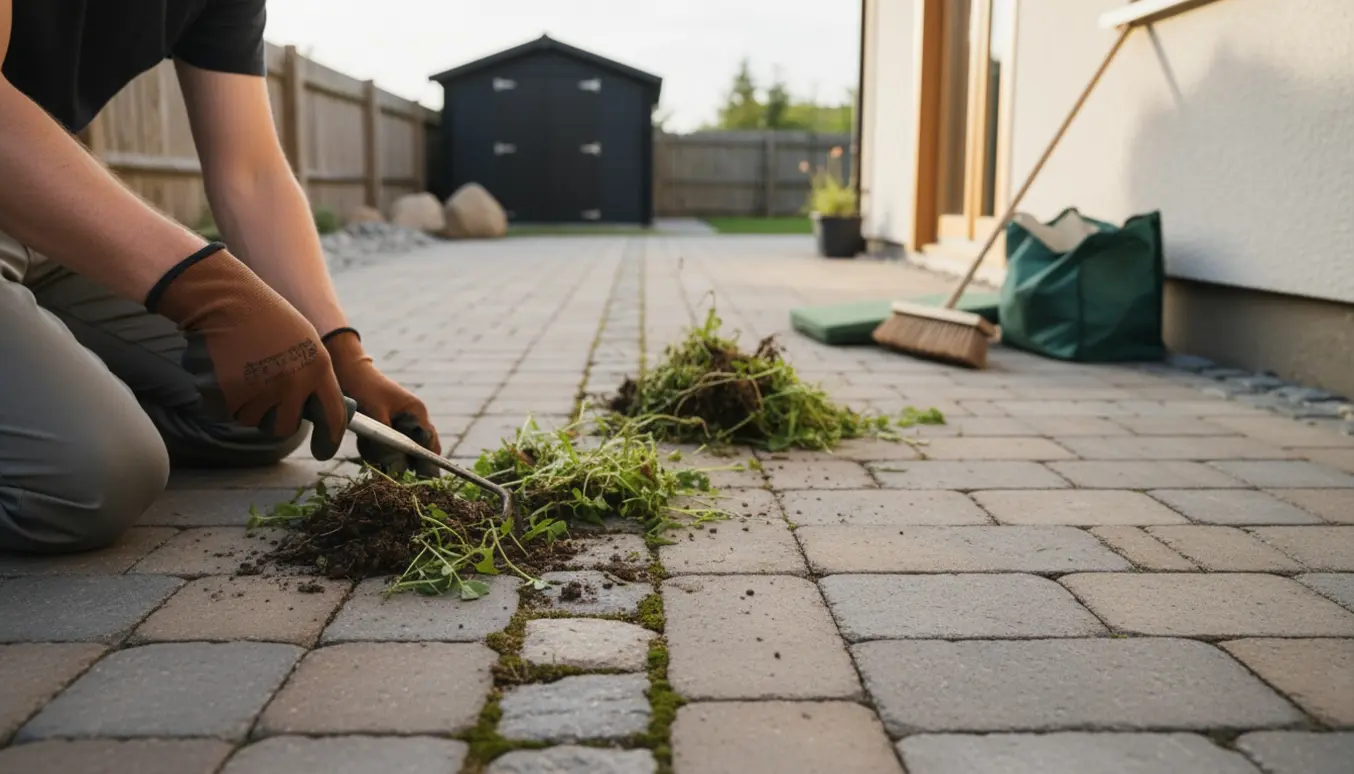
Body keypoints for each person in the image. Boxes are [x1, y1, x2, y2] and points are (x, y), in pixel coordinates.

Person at [0, 0, 441, 553]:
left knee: (263, 406)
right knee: (87, 483)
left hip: (40, 222)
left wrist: (342, 352)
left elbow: (251, 173)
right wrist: (211, 293)